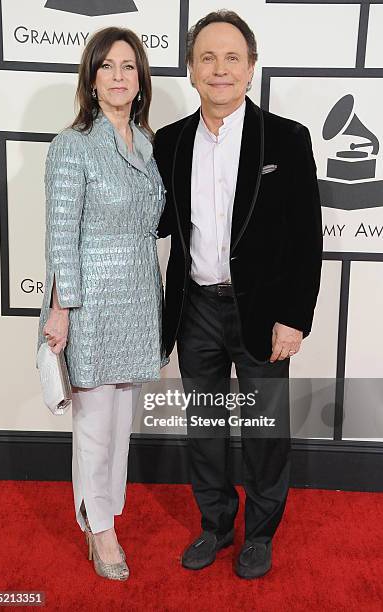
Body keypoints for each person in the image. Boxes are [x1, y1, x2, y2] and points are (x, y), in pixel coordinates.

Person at [154, 10, 322, 579]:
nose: (218, 69)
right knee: (203, 428)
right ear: (192, 71)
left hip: (263, 313)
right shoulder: (171, 143)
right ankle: (216, 524)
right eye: (207, 58)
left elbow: (306, 238)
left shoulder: (288, 139)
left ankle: (260, 534)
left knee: (265, 433)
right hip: (195, 308)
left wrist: (294, 318)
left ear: (251, 69)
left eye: (231, 58)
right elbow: (150, 222)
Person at [37, 26, 167, 581]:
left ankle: (106, 510)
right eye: (107, 66)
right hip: (90, 299)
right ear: (91, 78)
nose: (118, 76)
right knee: (93, 423)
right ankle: (100, 528)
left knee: (121, 424)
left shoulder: (148, 142)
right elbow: (61, 233)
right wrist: (62, 309)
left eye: (129, 66)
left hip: (139, 295)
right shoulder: (72, 145)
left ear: (141, 80)